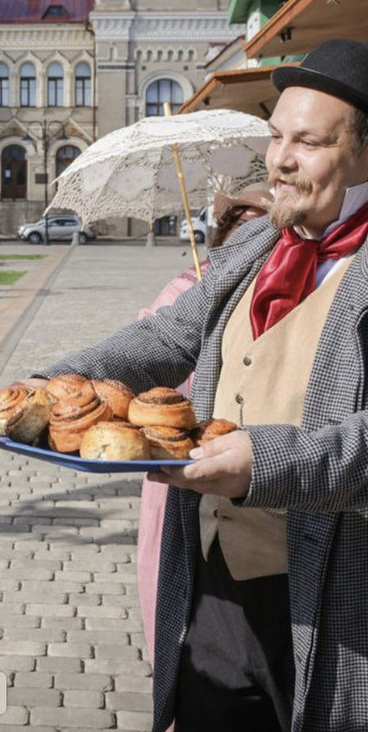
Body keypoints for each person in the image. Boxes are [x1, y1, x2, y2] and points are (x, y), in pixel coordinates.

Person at [34, 39, 368, 731]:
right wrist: (54, 385)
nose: (278, 159)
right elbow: (165, 337)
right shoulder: (256, 243)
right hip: (219, 576)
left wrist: (268, 462)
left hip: (351, 590)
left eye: (307, 142)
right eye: (276, 135)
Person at [135, 187, 271, 666]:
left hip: (258, 487)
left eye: (267, 230)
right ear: (225, 237)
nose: (257, 241)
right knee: (177, 590)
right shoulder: (187, 288)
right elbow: (154, 351)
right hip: (181, 471)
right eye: (245, 229)